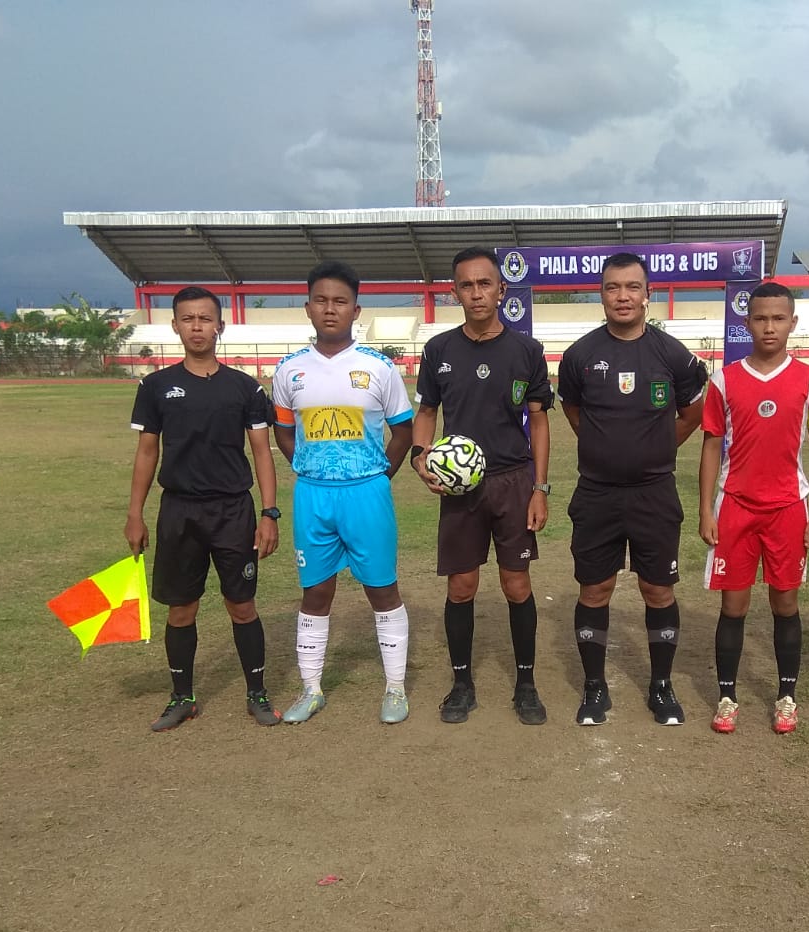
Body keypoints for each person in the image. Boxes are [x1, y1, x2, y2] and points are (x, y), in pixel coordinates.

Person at [557, 252, 709, 726]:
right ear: (601, 294)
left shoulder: (672, 354)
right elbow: (573, 411)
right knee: (595, 588)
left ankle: (661, 687)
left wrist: (656, 447)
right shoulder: (579, 355)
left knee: (657, 590)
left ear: (647, 293)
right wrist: (604, 446)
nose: (622, 296)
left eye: (632, 287)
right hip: (597, 493)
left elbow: (693, 413)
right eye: (612, 287)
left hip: (654, 493)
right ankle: (594, 686)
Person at [124, 285, 283, 732]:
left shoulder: (245, 388)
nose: (197, 327)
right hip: (179, 511)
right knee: (181, 610)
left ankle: (257, 693)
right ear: (175, 326)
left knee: (242, 606)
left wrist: (269, 513)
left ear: (220, 326)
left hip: (233, 511)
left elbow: (262, 452)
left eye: (205, 319)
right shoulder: (155, 386)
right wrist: (135, 514)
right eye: (188, 319)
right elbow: (147, 452)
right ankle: (183, 697)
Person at [411, 247, 554, 725]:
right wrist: (419, 456)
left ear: (501, 289)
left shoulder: (526, 351)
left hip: (513, 482)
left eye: (484, 284)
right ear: (455, 292)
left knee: (517, 584)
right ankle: (461, 684)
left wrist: (540, 487)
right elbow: (426, 411)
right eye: (466, 285)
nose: (476, 293)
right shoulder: (439, 350)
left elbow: (538, 421)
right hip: (461, 488)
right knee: (462, 586)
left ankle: (527, 684)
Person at [271, 261, 414, 725]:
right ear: (307, 307)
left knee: (382, 589)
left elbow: (403, 431)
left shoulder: (379, 368)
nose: (330, 309)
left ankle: (395, 688)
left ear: (356, 309)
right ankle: (311, 690)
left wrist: (380, 477)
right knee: (315, 592)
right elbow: (284, 432)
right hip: (313, 496)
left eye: (340, 301)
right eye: (321, 300)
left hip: (367, 493)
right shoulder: (289, 370)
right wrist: (307, 467)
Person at [698, 281, 809, 735]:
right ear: (747, 322)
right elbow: (711, 445)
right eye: (760, 318)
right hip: (735, 506)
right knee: (733, 605)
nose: (769, 327)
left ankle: (786, 697)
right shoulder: (724, 380)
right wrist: (706, 509)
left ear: (793, 322)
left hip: (787, 508)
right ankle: (727, 697)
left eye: (778, 318)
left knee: (785, 602)